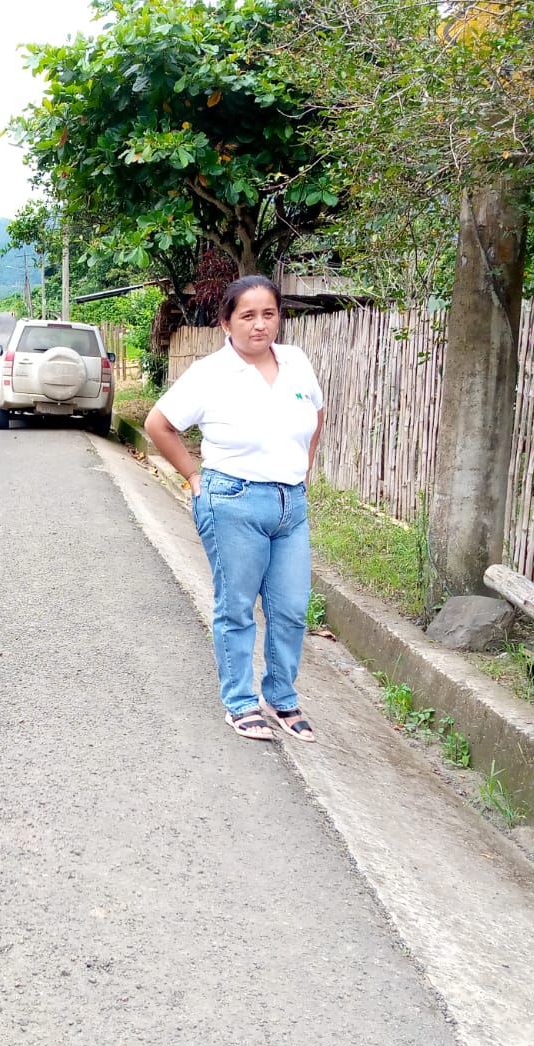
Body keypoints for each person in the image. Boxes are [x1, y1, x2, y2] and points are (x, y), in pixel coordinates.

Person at [146, 275, 326, 743]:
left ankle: (281, 696)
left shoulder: (296, 362)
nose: (259, 325)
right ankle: (241, 703)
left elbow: (316, 414)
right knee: (238, 608)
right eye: (247, 316)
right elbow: (158, 424)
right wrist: (194, 476)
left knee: (291, 608)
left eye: (269, 314)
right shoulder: (210, 373)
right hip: (233, 500)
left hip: (290, 504)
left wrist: (303, 469)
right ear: (227, 323)